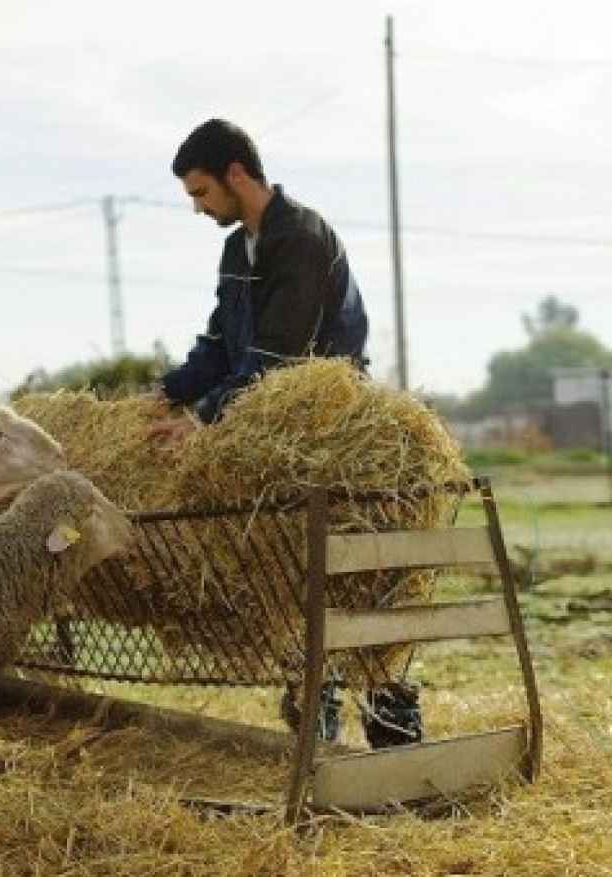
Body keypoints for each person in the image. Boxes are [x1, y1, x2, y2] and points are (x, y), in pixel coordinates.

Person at [153, 118, 420, 748]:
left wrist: (204, 422)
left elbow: (280, 361)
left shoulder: (299, 238)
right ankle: (317, 738)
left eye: (201, 192)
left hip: (330, 434)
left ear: (236, 175)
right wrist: (166, 395)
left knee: (360, 588)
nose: (198, 208)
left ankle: (397, 746)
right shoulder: (235, 247)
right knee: (294, 584)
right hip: (269, 439)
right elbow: (221, 344)